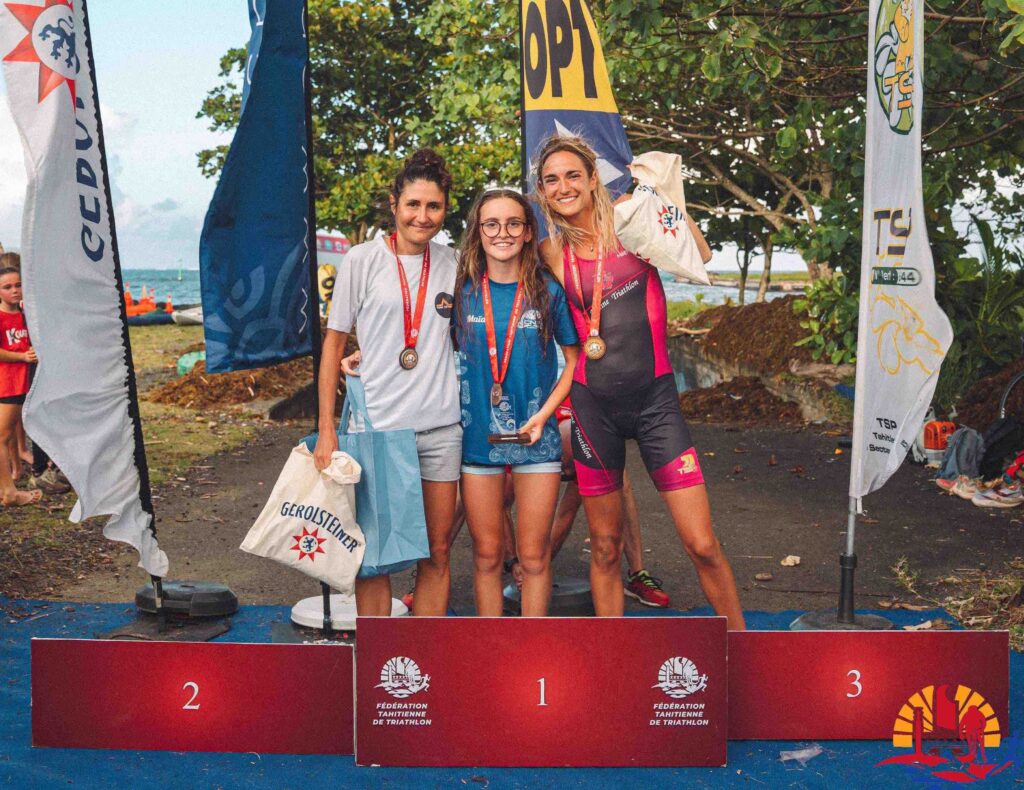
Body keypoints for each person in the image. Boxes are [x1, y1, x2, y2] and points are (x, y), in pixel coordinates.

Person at [534, 134, 745, 629]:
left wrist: (664, 197)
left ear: (592, 179)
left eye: (573, 175)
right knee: (606, 548)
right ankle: (614, 654)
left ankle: (744, 647)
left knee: (702, 543)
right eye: (552, 180)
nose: (564, 187)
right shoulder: (549, 251)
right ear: (543, 192)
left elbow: (700, 253)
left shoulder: (632, 222)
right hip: (592, 407)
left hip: (655, 403)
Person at [313, 149, 462, 616]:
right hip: (377, 428)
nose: (423, 216)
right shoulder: (361, 260)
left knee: (437, 551)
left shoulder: (455, 262)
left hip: (440, 429)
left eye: (434, 206)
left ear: (445, 210)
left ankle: (422, 652)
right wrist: (326, 429)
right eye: (413, 204)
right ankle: (382, 656)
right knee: (374, 558)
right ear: (394, 204)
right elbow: (333, 346)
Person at [454, 189, 579, 616]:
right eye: (491, 224)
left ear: (528, 233)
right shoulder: (463, 291)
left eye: (513, 224)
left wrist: (545, 416)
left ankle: (531, 646)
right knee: (488, 556)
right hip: (478, 439)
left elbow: (573, 361)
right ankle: (491, 647)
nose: (502, 233)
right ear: (478, 232)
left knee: (534, 557)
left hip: (536, 440)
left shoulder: (547, 290)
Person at [551, 403, 671, 607]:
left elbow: (567, 511)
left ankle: (637, 574)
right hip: (542, 414)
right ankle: (517, 563)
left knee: (619, 479)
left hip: (592, 410)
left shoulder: (589, 432)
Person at [0, 267, 41, 507]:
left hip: (23, 381)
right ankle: (9, 492)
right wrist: (22, 357)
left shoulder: (26, 314)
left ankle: (8, 486)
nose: (14, 290)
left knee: (8, 436)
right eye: (7, 287)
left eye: (18, 285)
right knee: (2, 437)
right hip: (8, 383)